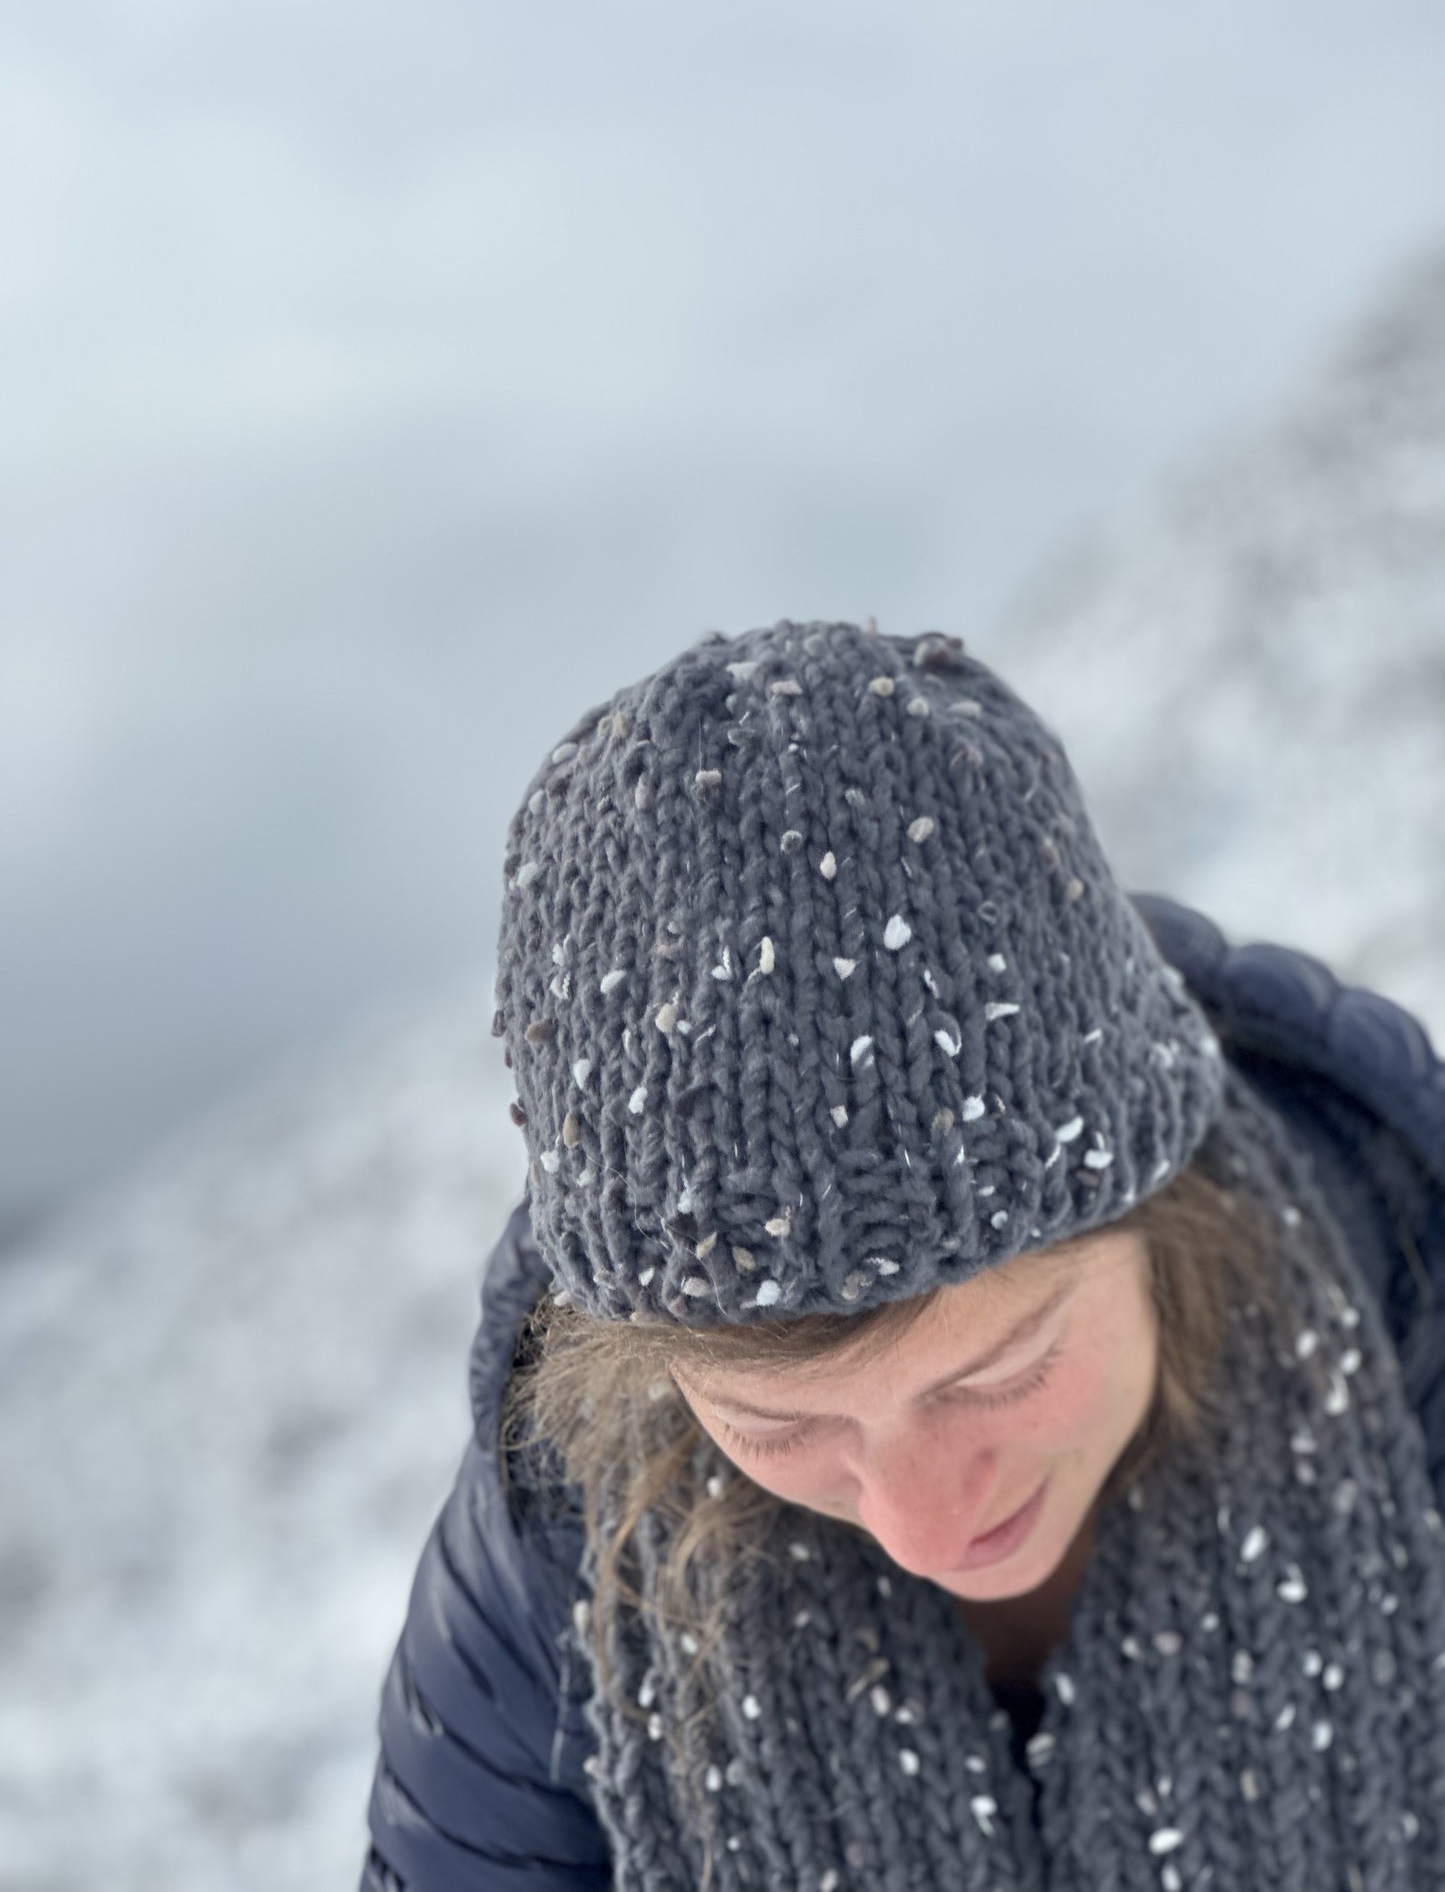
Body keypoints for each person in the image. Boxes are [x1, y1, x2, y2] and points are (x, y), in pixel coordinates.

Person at [360, 620, 1445, 1892]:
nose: (923, 1523)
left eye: (995, 1372)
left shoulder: (1411, 1312)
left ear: (1163, 1208)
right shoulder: (563, 1560)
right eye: (778, 1425)